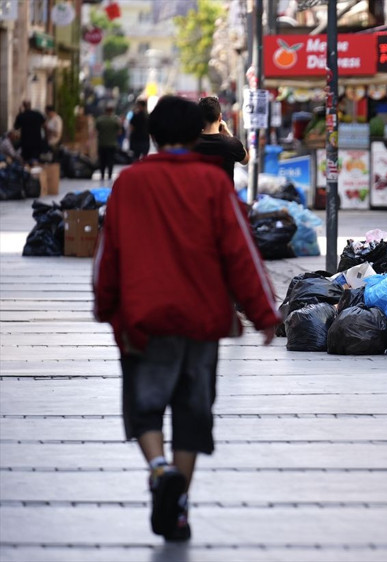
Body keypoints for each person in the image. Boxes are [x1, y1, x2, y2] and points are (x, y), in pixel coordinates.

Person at [92, 95, 281, 542]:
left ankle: (159, 470)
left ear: (153, 135)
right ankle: (177, 509)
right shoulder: (213, 186)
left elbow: (108, 254)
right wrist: (263, 313)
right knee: (192, 414)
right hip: (202, 318)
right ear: (196, 132)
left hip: (144, 316)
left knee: (146, 406)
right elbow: (242, 252)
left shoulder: (130, 183)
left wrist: (105, 305)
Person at [194, 96, 249, 186]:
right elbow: (245, 160)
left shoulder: (191, 144)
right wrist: (228, 133)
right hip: (223, 198)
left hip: (198, 198)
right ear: (220, 117)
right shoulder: (231, 144)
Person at [95, 102, 121, 182]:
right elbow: (119, 132)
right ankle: (109, 175)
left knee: (102, 161)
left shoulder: (100, 120)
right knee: (111, 160)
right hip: (112, 144)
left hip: (102, 143)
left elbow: (96, 131)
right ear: (112, 111)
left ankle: (102, 175)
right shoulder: (115, 121)